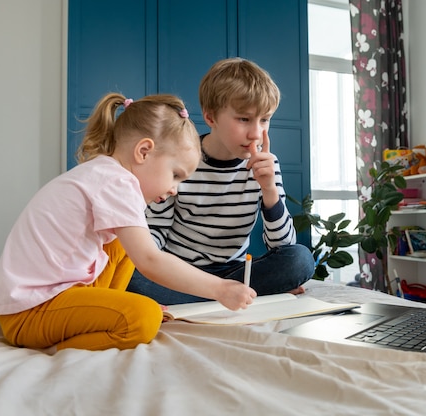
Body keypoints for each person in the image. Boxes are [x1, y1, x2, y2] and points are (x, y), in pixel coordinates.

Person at [0, 93, 257, 351]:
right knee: (143, 318)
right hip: (31, 314)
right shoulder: (117, 182)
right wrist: (219, 288)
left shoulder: (105, 172)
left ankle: (110, 310)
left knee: (124, 243)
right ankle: (62, 344)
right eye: (175, 175)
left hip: (45, 300)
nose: (175, 189)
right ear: (144, 152)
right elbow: (150, 260)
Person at [127, 58, 315, 305]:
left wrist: (269, 191)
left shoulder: (267, 165)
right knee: (130, 272)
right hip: (182, 273)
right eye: (244, 119)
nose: (256, 133)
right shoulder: (180, 160)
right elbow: (157, 230)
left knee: (300, 259)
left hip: (234, 272)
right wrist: (149, 266)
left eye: (264, 120)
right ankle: (230, 295)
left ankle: (219, 295)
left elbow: (283, 247)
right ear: (211, 117)